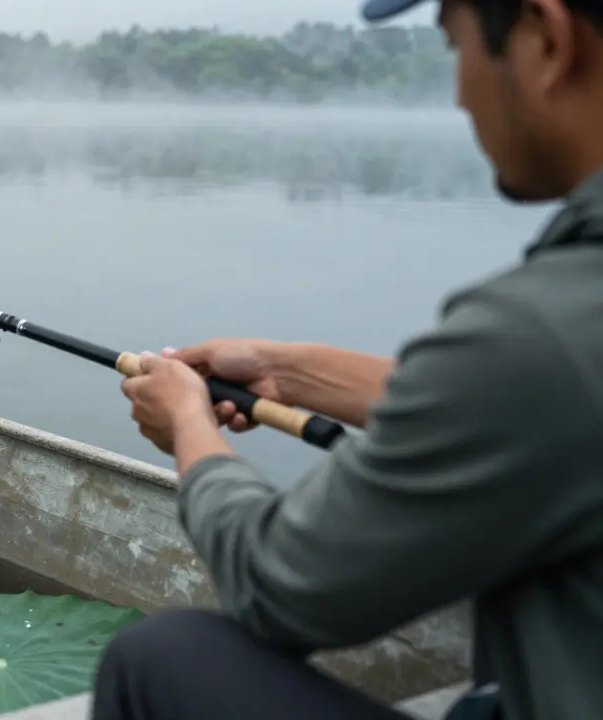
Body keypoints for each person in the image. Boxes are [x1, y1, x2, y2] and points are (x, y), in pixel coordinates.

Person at [97, 0, 603, 718]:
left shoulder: (541, 328)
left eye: (455, 47)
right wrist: (288, 373)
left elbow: (277, 585)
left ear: (546, 40)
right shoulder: (558, 339)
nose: (460, 94)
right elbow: (543, 406)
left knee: (158, 656)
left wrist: (188, 426)